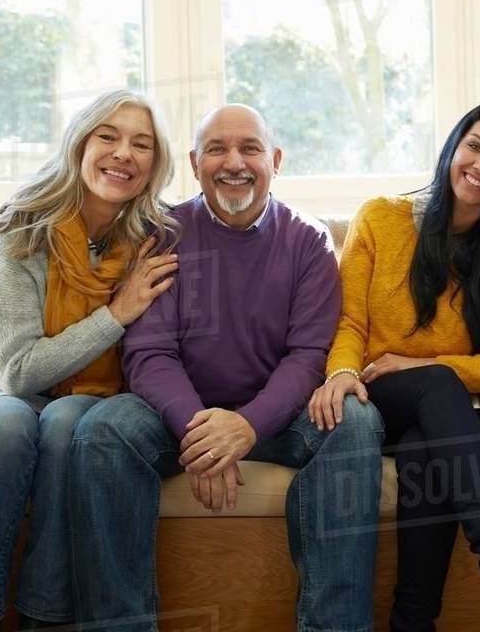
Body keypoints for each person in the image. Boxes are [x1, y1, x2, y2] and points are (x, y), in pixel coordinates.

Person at [68, 104, 385, 632]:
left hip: (274, 419)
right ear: (195, 163)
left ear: (275, 160)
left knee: (354, 423)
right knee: (103, 430)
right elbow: (149, 354)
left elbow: (307, 358)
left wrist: (245, 427)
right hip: (181, 418)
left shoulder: (308, 241)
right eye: (216, 149)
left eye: (250, 148)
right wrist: (203, 435)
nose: (233, 162)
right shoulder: (162, 233)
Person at [308, 101, 480, 632]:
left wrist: (424, 362)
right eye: (474, 147)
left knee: (423, 447)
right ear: (452, 148)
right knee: (433, 385)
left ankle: (413, 622)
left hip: (451, 415)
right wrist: (341, 373)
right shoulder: (381, 217)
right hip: (378, 394)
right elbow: (350, 324)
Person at [0, 90, 180, 632]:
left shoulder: (155, 239)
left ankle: (45, 619)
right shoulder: (20, 229)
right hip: (7, 392)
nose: (123, 154)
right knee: (10, 427)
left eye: (142, 144)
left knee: (66, 421)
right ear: (79, 143)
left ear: (155, 164)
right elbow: (17, 371)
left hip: (99, 398)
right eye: (107, 136)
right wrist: (118, 313)